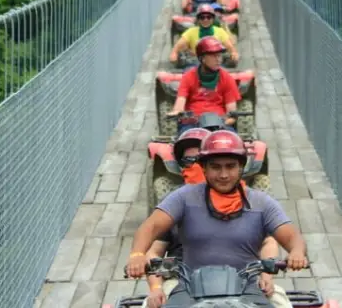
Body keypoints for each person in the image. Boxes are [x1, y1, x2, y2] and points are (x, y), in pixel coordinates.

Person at [127, 130, 307, 308]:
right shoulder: (183, 198)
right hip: (189, 288)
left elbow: (291, 235)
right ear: (203, 168)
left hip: (249, 287)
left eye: (230, 166)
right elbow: (150, 227)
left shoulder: (262, 203)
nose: (223, 175)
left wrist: (296, 252)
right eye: (215, 167)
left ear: (241, 168)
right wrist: (137, 255)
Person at [168, 36, 241, 134]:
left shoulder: (227, 78)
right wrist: (176, 112)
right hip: (193, 124)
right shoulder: (188, 77)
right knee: (186, 142)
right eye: (213, 56)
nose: (218, 59)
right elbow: (180, 105)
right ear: (202, 58)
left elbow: (232, 114)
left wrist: (221, 124)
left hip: (220, 123)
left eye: (219, 55)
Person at [169, 5, 238, 66]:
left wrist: (234, 54)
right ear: (198, 19)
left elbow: (231, 48)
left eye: (208, 17)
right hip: (196, 62)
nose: (205, 20)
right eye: (202, 17)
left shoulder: (220, 31)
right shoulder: (191, 32)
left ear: (213, 19)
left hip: (216, 62)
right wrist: (174, 54)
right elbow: (177, 47)